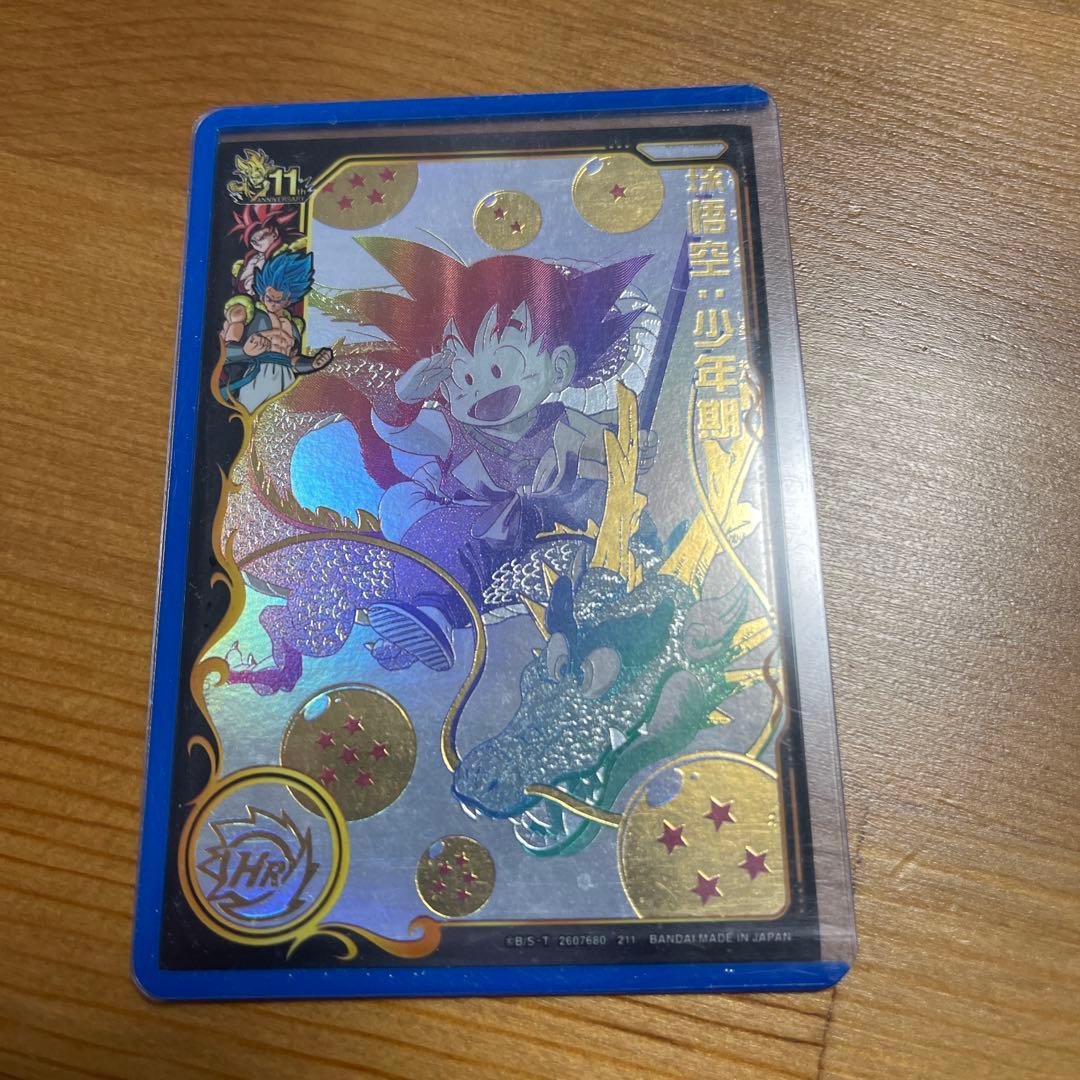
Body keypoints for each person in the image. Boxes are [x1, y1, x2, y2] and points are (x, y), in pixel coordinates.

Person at [221, 251, 333, 413]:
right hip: (257, 378)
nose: (272, 304)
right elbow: (225, 352)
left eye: (278, 300)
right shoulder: (250, 315)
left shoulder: (292, 326)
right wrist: (245, 351)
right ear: (262, 294)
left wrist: (312, 364)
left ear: (288, 300)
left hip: (286, 380)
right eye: (269, 298)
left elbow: (292, 362)